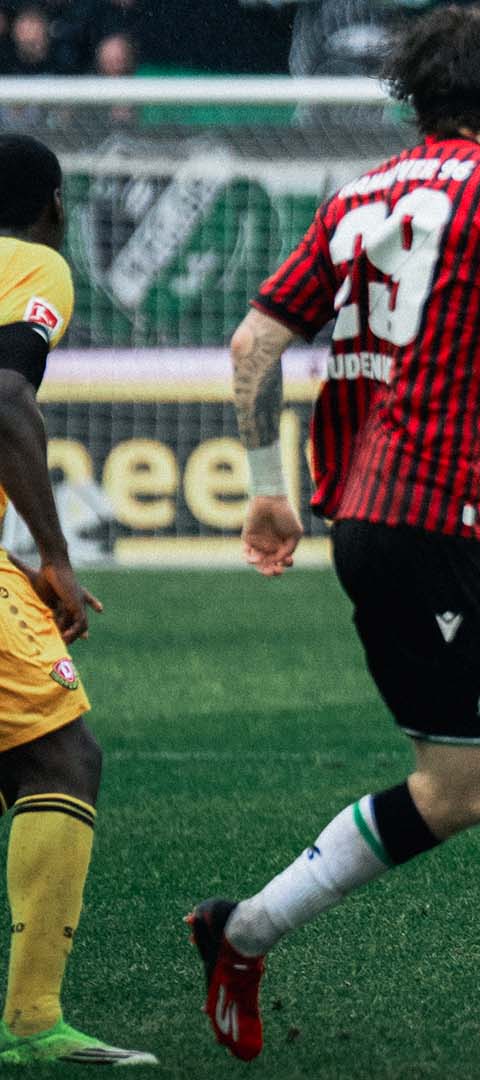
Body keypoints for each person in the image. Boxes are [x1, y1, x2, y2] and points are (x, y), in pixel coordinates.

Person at [186, 8, 480, 1076]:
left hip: (404, 520)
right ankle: (240, 934)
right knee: (455, 789)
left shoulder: (358, 193)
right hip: (425, 516)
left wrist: (267, 490)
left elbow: (256, 337)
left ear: (411, 99)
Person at [0, 134, 155, 1069]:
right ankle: (31, 1020)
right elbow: (9, 399)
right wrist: (54, 555)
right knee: (61, 752)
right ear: (53, 203)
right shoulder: (33, 263)